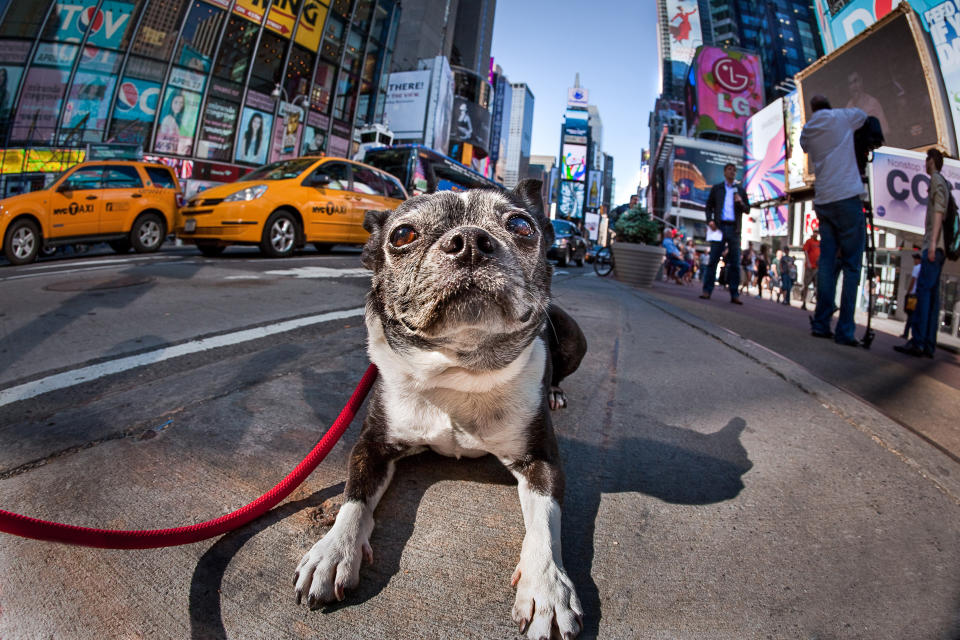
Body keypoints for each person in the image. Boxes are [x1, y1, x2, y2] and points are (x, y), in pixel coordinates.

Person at [800, 94, 868, 346]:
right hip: (848, 196)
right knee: (851, 266)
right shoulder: (841, 116)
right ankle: (845, 331)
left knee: (827, 264)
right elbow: (863, 116)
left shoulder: (808, 129)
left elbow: (804, 146)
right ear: (830, 106)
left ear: (812, 109)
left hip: (824, 200)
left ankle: (821, 324)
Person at [895, 149, 949, 357]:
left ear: (932, 161)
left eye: (926, 160)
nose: (924, 164)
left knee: (924, 295)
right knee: (932, 298)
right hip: (940, 248)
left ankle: (918, 342)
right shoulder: (942, 181)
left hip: (933, 247)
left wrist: (933, 243)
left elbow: (939, 210)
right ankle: (927, 344)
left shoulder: (936, 180)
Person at [700, 163, 750, 304]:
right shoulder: (717, 189)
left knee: (735, 263)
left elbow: (747, 209)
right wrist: (710, 220)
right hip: (719, 227)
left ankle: (734, 294)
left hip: (734, 229)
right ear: (724, 172)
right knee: (713, 261)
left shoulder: (740, 190)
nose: (732, 172)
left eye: (734, 170)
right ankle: (707, 290)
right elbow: (709, 206)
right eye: (729, 169)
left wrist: (740, 202)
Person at [900, 252, 922, 339]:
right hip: (918, 294)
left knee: (910, 315)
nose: (914, 261)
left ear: (919, 260)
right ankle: (910, 334)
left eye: (915, 259)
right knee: (913, 315)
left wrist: (908, 292)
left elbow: (913, 281)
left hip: (913, 295)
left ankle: (906, 334)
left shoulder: (917, 268)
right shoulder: (922, 268)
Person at [801, 231, 820, 310]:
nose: (816, 234)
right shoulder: (809, 241)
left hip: (817, 267)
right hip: (809, 267)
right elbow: (805, 251)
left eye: (817, 232)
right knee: (806, 285)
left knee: (817, 286)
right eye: (815, 232)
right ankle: (804, 302)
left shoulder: (819, 243)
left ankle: (817, 304)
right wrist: (808, 262)